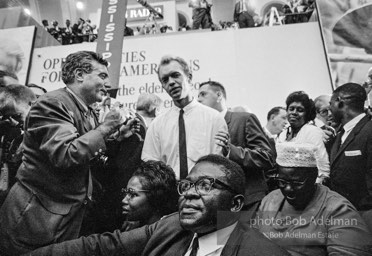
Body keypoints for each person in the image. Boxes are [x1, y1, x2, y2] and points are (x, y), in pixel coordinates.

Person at [0, 51, 138, 255]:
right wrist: (106, 127)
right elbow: (66, 154)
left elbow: (85, 155)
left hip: (62, 219)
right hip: (35, 221)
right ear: (79, 74)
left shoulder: (86, 109)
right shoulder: (52, 103)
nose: (108, 82)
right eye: (102, 75)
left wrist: (113, 138)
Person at [26, 154, 291, 256]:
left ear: (235, 204)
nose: (189, 194)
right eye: (186, 185)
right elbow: (102, 245)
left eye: (206, 186)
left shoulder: (262, 252)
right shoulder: (170, 227)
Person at [255, 142, 372, 255]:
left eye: (297, 182)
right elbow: (253, 240)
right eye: (282, 182)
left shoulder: (338, 210)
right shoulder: (270, 200)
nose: (288, 189)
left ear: (314, 176)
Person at [198, 81, 275, 220]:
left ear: (219, 95)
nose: (198, 99)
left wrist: (231, 151)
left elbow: (266, 157)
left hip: (249, 201)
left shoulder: (244, 119)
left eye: (203, 94)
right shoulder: (202, 128)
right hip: (219, 204)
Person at [141, 55, 227, 179]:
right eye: (165, 80)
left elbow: (219, 165)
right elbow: (151, 166)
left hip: (204, 191)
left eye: (175, 75)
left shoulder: (214, 119)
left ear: (189, 77)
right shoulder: (157, 125)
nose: (171, 82)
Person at [92, 93, 163, 233]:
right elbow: (126, 170)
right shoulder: (138, 127)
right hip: (117, 203)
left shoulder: (127, 121)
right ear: (155, 109)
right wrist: (131, 212)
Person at [329, 83, 372, 213]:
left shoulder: (369, 130)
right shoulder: (339, 134)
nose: (329, 110)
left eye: (330, 104)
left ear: (339, 102)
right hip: (345, 213)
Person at [277, 91, 330, 184]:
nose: (294, 113)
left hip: (308, 185)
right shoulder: (283, 134)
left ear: (307, 114)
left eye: (300, 110)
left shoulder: (312, 132)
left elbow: (323, 167)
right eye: (291, 109)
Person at [0, 84, 36, 205]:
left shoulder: (43, 133)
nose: (13, 121)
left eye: (17, 115)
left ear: (32, 105)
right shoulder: (18, 133)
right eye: (7, 117)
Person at [121, 160, 178, 231]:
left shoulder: (165, 233)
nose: (124, 200)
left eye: (133, 194)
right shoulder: (134, 229)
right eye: (126, 193)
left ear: (155, 199)